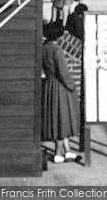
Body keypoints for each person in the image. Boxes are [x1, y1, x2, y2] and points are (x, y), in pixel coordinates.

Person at [41, 22, 80, 163]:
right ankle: (59, 153)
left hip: (49, 85)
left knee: (57, 119)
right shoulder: (57, 50)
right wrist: (72, 86)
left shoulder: (43, 48)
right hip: (60, 87)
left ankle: (67, 151)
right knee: (62, 119)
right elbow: (63, 72)